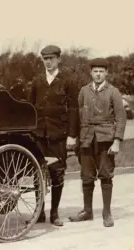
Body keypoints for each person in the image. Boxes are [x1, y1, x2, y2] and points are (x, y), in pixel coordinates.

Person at [68, 58, 127, 227]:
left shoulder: (113, 92)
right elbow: (78, 116)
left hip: (105, 139)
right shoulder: (84, 91)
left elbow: (120, 118)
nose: (98, 74)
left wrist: (116, 142)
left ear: (106, 73)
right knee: (86, 176)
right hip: (86, 139)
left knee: (106, 175)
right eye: (95, 71)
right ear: (91, 73)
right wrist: (76, 140)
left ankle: (106, 213)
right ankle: (87, 211)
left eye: (101, 71)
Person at [27, 45, 79, 226]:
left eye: (51, 59)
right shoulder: (37, 81)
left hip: (58, 135)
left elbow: (73, 109)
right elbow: (30, 107)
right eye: (45, 59)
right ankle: (39, 212)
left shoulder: (68, 81)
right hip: (39, 136)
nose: (48, 62)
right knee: (37, 172)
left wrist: (72, 135)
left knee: (57, 173)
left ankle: (54, 214)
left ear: (58, 59)